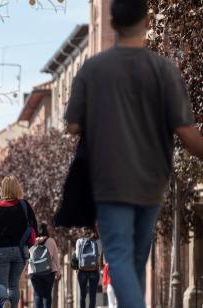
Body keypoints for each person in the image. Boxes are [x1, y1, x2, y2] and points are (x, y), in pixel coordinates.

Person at [65, 0, 203, 306]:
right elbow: (188, 134)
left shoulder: (94, 68)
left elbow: (72, 124)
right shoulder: (164, 71)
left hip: (110, 179)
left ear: (112, 25)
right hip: (151, 181)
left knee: (119, 256)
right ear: (146, 23)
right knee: (136, 257)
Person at [0, 175, 37, 308]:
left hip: (1, 250)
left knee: (1, 283)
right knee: (14, 284)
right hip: (20, 250)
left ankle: (4, 301)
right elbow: (34, 225)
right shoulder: (24, 205)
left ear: (3, 189)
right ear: (17, 188)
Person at [27, 223, 61, 308]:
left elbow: (27, 256)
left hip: (34, 271)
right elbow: (56, 257)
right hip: (49, 271)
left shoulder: (31, 242)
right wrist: (58, 271)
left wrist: (25, 269)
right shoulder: (51, 241)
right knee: (47, 294)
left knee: (38, 294)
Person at [74, 228, 101, 308]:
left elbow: (77, 256)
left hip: (82, 270)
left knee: (83, 295)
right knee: (92, 296)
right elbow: (99, 254)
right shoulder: (97, 241)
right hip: (94, 269)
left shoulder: (79, 241)